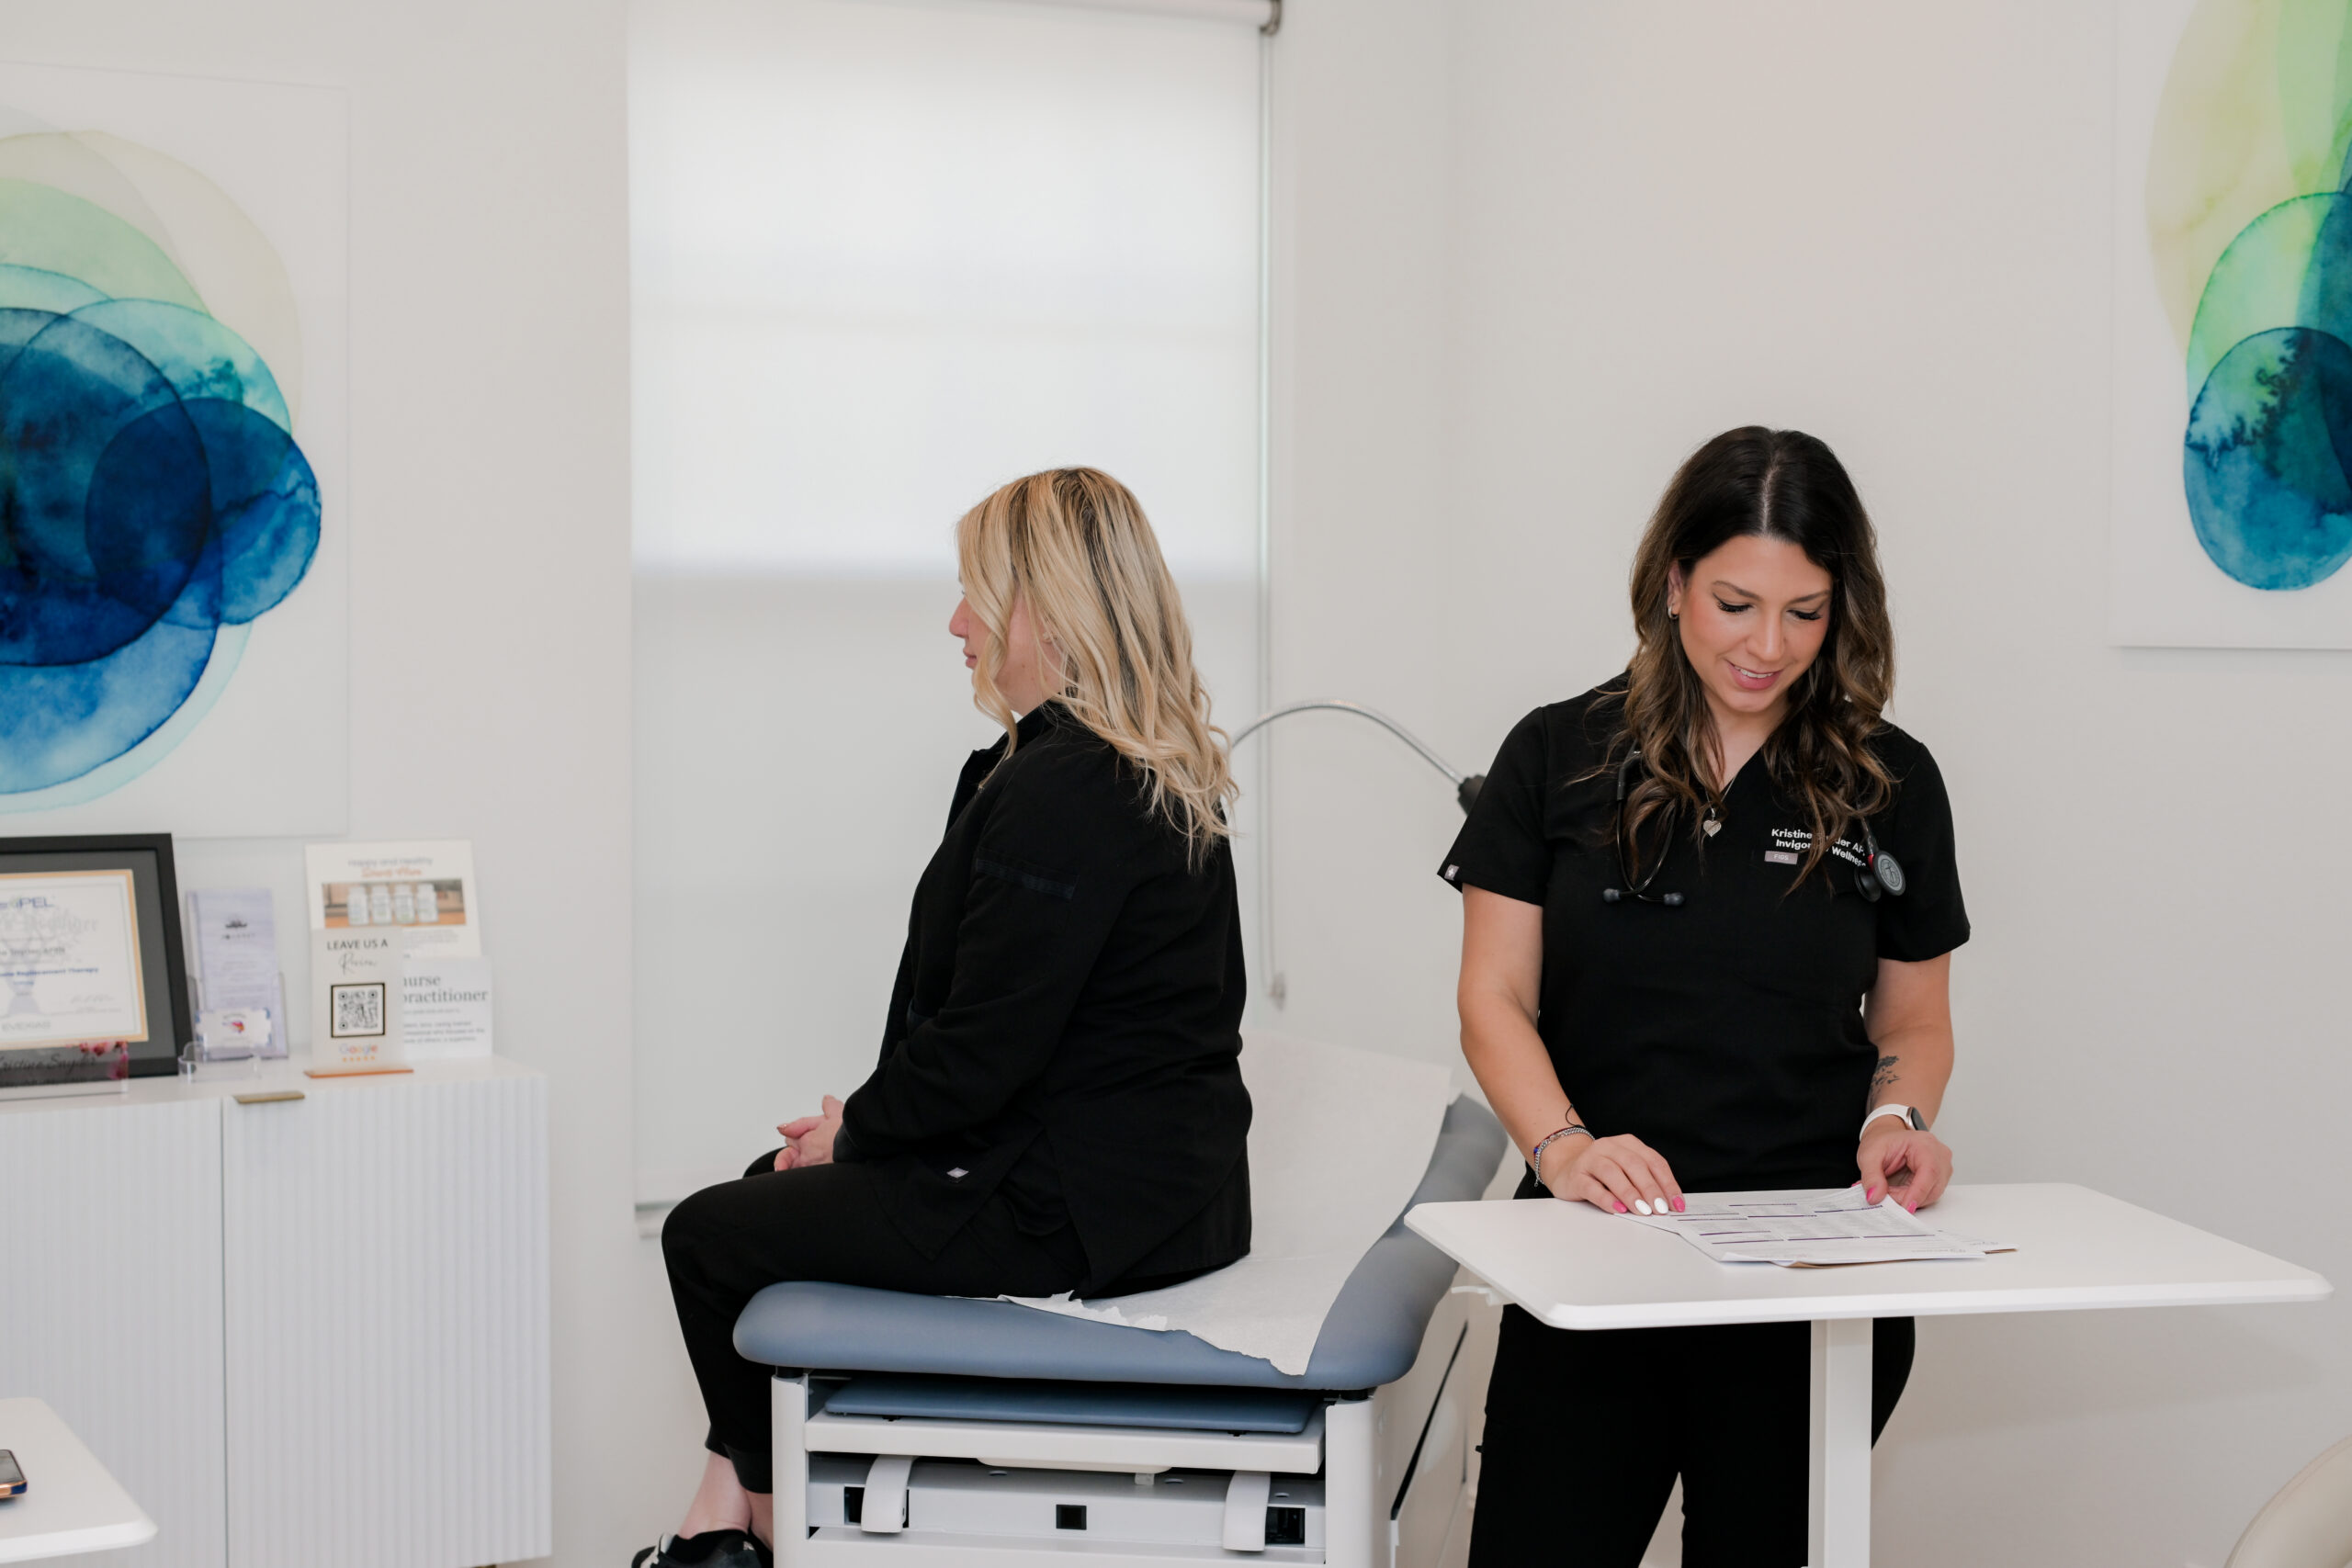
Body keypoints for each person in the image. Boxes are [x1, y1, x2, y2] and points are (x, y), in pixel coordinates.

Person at [642, 468, 1253, 1568]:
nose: (957, 622)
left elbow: (983, 1048)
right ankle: (724, 1503)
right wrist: (863, 1133)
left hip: (1080, 1207)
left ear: (1047, 608)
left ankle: (768, 1535)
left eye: (977, 594)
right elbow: (1009, 1027)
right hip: (1144, 1184)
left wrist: (857, 1135)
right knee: (755, 1188)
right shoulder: (1113, 770)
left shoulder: (1065, 788)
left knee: (705, 1235)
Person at [1440, 427, 1969, 1567]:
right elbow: (1491, 995)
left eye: (1805, 612)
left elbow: (1915, 1021)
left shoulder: (1888, 780)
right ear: (1672, 581)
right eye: (1735, 603)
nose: (1767, 647)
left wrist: (1899, 1120)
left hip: (1809, 1281)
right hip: (1593, 1262)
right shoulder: (1556, 756)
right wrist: (1564, 1149)